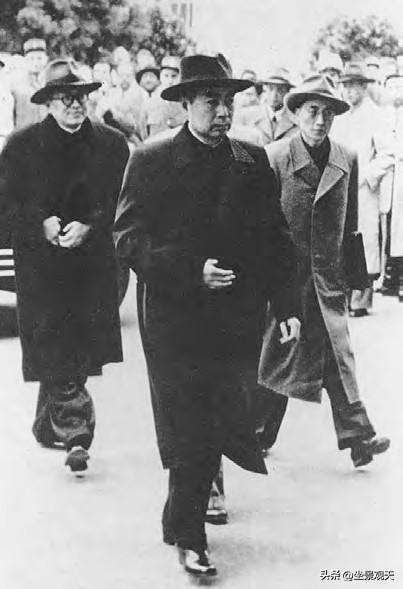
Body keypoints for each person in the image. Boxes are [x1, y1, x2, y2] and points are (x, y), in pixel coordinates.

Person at [114, 53, 301, 577]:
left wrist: (287, 305)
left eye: (229, 102)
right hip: (173, 316)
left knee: (216, 416)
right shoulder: (150, 160)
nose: (223, 112)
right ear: (185, 104)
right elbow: (127, 238)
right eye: (211, 102)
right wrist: (190, 270)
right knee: (189, 421)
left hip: (235, 316)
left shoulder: (250, 159)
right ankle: (191, 537)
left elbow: (275, 238)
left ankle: (178, 517)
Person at [0, 59, 129, 472]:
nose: (75, 104)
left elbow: (124, 202)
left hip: (92, 267)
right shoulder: (21, 146)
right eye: (65, 98)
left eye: (80, 96)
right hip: (42, 270)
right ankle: (76, 431)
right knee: (54, 341)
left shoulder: (111, 144)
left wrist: (91, 225)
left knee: (78, 346)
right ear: (48, 103)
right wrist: (39, 222)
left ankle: (47, 424)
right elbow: (6, 205)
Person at [258, 75, 390, 468]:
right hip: (286, 278)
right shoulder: (275, 157)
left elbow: (351, 224)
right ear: (296, 113)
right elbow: (261, 226)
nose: (320, 121)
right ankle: (256, 432)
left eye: (328, 113)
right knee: (279, 355)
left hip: (328, 279)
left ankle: (358, 436)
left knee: (337, 355)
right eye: (312, 111)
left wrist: (355, 278)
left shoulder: (346, 157)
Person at [332, 63, 394, 316]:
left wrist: (366, 176)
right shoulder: (339, 116)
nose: (349, 91)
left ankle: (361, 300)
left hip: (363, 189)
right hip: (339, 185)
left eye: (353, 86)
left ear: (363, 87)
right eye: (345, 86)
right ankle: (344, 296)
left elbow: (388, 154)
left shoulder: (376, 116)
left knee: (365, 241)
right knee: (341, 239)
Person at [234, 67, 297, 144]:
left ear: (287, 92)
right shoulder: (246, 116)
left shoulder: (295, 121)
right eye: (271, 89)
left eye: (280, 90)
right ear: (264, 89)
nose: (274, 95)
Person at [9, 38, 48, 129]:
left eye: (39, 58)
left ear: (46, 59)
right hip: (24, 134)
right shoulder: (16, 86)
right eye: (31, 59)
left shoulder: (51, 83)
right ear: (25, 60)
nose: (35, 63)